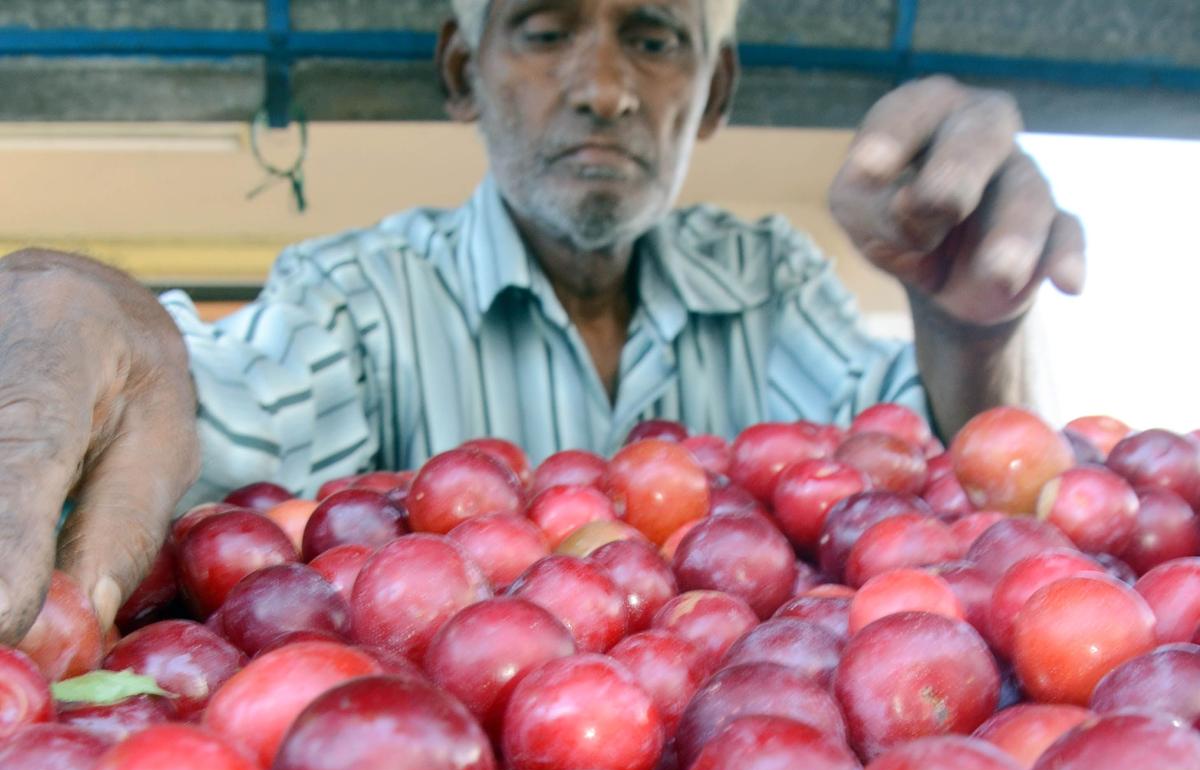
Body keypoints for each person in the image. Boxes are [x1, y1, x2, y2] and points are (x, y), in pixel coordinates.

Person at [0, 0, 1084, 644]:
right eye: (546, 27)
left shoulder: (774, 285)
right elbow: (217, 414)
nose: (604, 86)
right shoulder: (359, 299)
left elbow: (936, 498)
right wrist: (98, 317)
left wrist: (970, 337)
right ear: (463, 70)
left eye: (656, 37)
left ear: (713, 94)